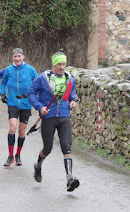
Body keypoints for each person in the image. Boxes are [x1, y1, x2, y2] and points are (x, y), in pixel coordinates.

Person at [27, 52, 80, 192]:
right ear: (53, 65)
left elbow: (71, 94)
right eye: (59, 64)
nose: (62, 67)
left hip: (64, 116)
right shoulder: (42, 79)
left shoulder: (69, 79)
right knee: (48, 148)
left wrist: (73, 101)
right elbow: (31, 93)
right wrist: (40, 107)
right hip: (48, 117)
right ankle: (38, 166)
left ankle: (70, 179)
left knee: (66, 146)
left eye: (64, 64)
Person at [0, 48, 38, 167]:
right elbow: (3, 82)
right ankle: (10, 156)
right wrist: (2, 93)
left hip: (26, 103)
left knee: (22, 130)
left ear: (23, 57)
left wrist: (35, 96)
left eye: (19, 56)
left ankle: (18, 155)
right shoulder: (9, 69)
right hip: (12, 102)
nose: (17, 58)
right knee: (12, 128)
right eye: (15, 56)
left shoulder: (30, 70)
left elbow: (38, 83)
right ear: (12, 58)